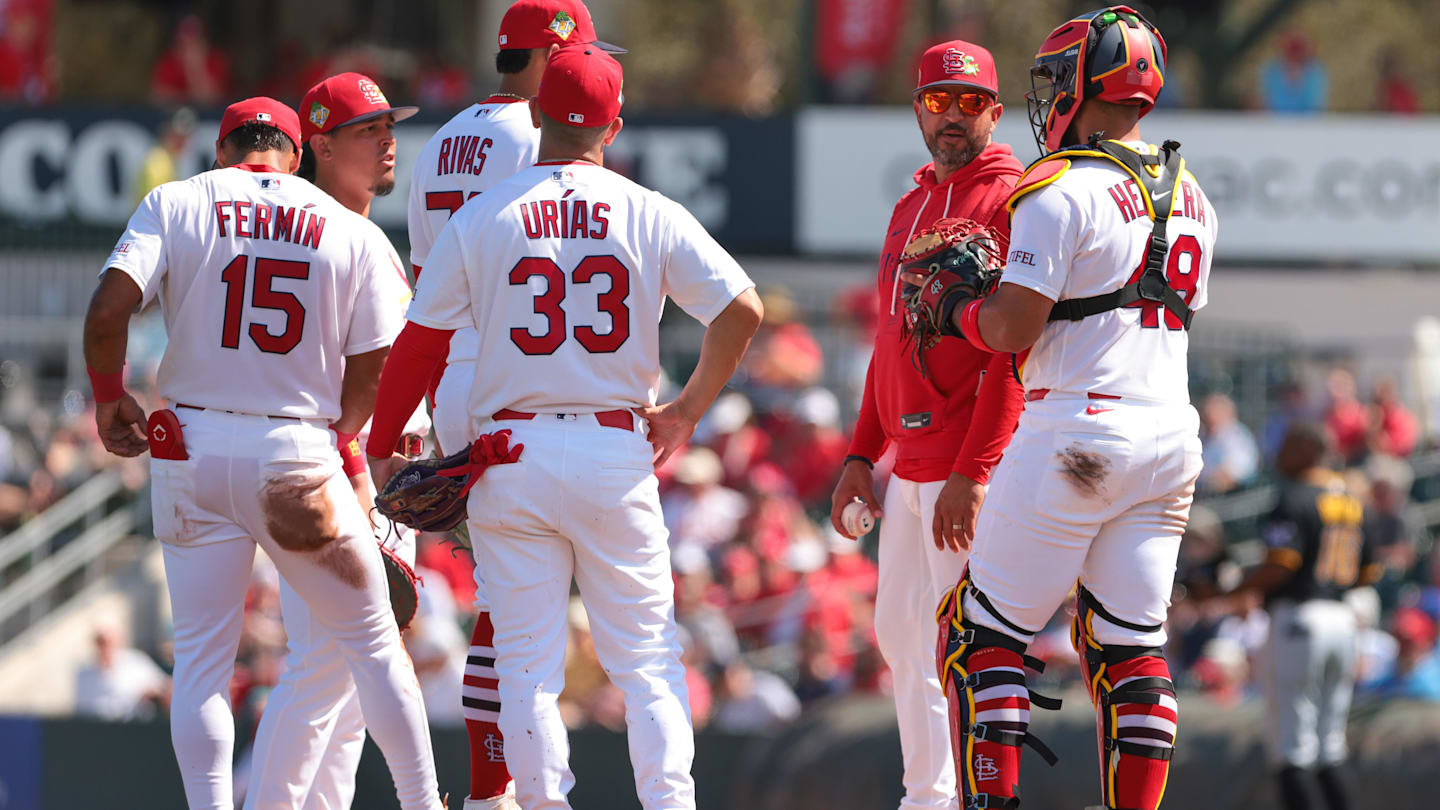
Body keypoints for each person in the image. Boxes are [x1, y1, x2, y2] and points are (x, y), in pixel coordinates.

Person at [366, 45, 763, 810]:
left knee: (526, 666)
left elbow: (421, 342)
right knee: (646, 659)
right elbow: (741, 309)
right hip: (615, 448)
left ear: (537, 112)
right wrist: (684, 410)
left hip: (510, 452)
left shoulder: (487, 212)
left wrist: (384, 444)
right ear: (612, 126)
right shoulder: (648, 208)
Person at [82, 97, 444, 810]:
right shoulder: (347, 226)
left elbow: (107, 309)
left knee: (202, 668)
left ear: (223, 151)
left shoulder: (178, 200)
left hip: (190, 445)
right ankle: (423, 802)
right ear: (294, 150)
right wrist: (340, 431)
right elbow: (380, 363)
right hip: (295, 448)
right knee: (373, 644)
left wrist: (106, 394)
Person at [920, 8, 1217, 809]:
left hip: (1076, 429)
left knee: (979, 634)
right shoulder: (1194, 196)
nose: (1047, 96)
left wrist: (955, 307)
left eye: (1057, 79)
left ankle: (993, 800)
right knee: (1133, 645)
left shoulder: (1056, 187)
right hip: (1171, 437)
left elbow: (1012, 329)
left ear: (1084, 84)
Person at [404, 3, 622, 806]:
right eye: (583, 53)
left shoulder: (438, 142)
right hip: (518, 385)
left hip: (455, 376)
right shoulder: (542, 137)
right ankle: (505, 794)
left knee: (504, 604)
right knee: (519, 618)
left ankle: (494, 790)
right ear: (556, 52)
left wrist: (429, 407)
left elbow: (427, 295)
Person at [827, 38, 1024, 810]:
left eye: (970, 102)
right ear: (917, 108)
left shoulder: (1011, 198)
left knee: (967, 643)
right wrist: (859, 452)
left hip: (964, 462)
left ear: (995, 113)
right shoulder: (909, 207)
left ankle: (980, 796)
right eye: (940, 101)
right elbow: (888, 342)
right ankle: (928, 794)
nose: (954, 115)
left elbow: (1013, 355)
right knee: (900, 635)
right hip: (905, 461)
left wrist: (974, 472)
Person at [240, 73, 430, 810]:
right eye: (366, 129)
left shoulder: (349, 233)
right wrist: (359, 474)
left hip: (373, 471)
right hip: (344, 472)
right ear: (318, 142)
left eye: (390, 125)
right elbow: (327, 392)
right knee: (325, 668)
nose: (387, 140)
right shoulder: (323, 233)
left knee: (352, 688)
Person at [1214, 423, 1379, 810]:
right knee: (1330, 745)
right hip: (1342, 618)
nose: (1279, 454)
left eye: (1287, 444)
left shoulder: (1294, 497)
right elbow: (1368, 573)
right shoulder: (1356, 502)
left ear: (1308, 448)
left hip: (1299, 620)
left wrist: (1229, 592)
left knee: (1291, 748)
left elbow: (1281, 565)